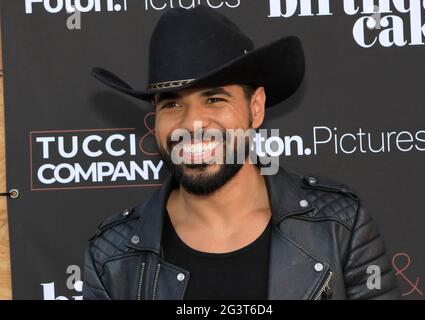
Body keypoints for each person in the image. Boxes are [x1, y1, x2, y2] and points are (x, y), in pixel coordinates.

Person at [83, 5, 399, 300]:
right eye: (172, 103)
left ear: (256, 107)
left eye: (214, 99)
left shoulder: (338, 224)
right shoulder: (112, 255)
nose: (192, 123)